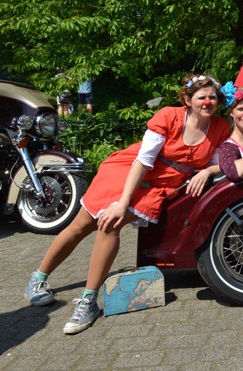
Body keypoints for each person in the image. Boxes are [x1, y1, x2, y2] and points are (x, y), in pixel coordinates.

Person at [23, 74, 229, 334]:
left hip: (161, 185)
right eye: (201, 97)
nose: (207, 102)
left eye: (212, 97)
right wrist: (122, 202)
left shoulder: (221, 126)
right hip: (129, 172)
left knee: (110, 225)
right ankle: (37, 279)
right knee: (82, 225)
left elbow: (222, 160)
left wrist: (206, 172)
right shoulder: (168, 116)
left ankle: (88, 300)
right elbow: (143, 162)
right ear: (188, 99)